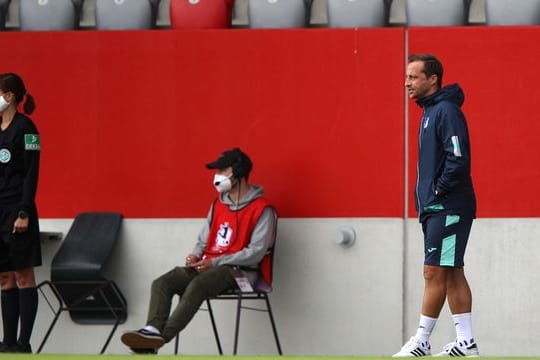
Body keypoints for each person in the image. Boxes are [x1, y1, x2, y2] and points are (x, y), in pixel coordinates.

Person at [121, 147, 276, 354]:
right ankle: (151, 330)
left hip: (240, 272)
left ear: (238, 172)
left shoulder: (262, 209)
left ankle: (158, 339)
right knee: (163, 283)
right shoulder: (217, 205)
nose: (218, 176)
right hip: (208, 266)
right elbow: (203, 240)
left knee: (197, 285)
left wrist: (216, 261)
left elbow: (256, 253)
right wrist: (196, 254)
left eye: (223, 170)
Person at [393, 54, 478, 358]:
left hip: (448, 206)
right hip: (437, 206)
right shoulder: (430, 112)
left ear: (432, 79)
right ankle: (466, 342)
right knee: (451, 271)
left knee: (433, 272)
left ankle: (422, 340)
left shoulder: (445, 111)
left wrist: (438, 191)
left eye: (414, 77)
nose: (407, 83)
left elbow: (457, 159)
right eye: (407, 77)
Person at [0, 73, 41, 354]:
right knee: (4, 277)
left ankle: (24, 343)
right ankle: (8, 341)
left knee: (23, 275)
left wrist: (24, 211)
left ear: (10, 95)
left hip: (18, 208)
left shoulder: (28, 129)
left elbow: (31, 173)